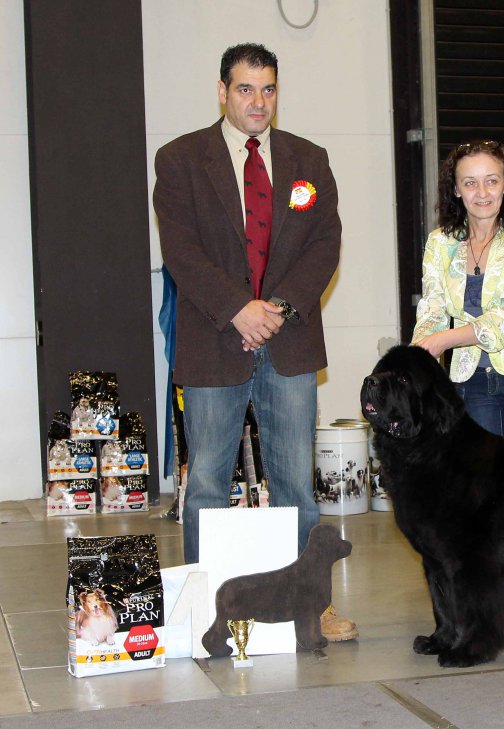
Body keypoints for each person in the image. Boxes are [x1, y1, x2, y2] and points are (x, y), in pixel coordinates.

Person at [153, 43, 356, 641]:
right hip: (214, 339)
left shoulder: (308, 160)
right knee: (208, 483)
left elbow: (325, 243)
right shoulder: (180, 159)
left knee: (296, 483)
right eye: (245, 89)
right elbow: (180, 252)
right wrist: (238, 309)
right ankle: (198, 609)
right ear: (222, 91)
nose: (258, 102)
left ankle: (312, 611)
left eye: (268, 89)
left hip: (289, 343)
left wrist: (279, 310)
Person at [412, 140, 504, 638]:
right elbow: (432, 308)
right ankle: (488, 598)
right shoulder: (440, 243)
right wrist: (418, 352)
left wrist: (444, 339)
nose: (481, 192)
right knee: (478, 498)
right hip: (468, 381)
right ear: (455, 190)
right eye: (469, 182)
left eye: (491, 180)